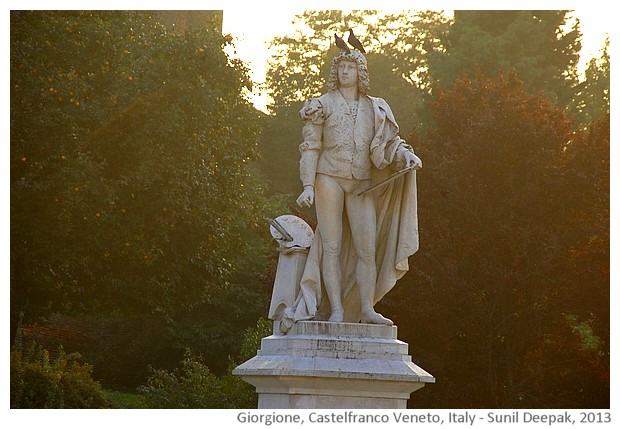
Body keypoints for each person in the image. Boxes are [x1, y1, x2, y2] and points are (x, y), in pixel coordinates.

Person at [289, 49, 422, 327]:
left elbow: (390, 142)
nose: (345, 72)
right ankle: (336, 308)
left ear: (360, 73)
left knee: (367, 248)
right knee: (332, 246)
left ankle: (365, 308)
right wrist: (307, 185)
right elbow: (310, 147)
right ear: (335, 73)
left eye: (351, 67)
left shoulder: (376, 107)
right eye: (341, 67)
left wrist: (405, 155)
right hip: (329, 178)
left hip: (362, 184)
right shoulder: (322, 105)